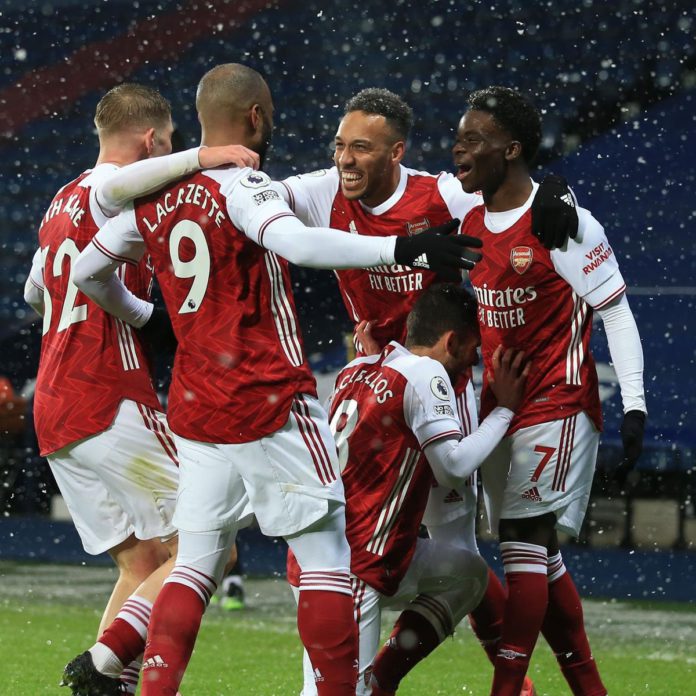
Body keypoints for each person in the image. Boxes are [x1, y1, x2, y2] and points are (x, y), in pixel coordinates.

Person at [71, 64, 478, 696]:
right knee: (327, 560)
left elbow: (90, 270)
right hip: (265, 397)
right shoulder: (245, 186)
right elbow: (300, 246)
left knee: (194, 568)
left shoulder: (156, 198)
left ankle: (142, 683)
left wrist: (149, 318)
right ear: (257, 117)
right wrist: (401, 250)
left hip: (197, 403)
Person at [279, 87, 577, 696]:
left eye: (361, 148)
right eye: (340, 146)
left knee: (456, 550)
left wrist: (556, 191)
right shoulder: (319, 192)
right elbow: (250, 197)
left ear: (397, 152)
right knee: (362, 532)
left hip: (440, 386)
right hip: (372, 386)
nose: (346, 160)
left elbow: (509, 184)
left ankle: (482, 679)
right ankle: (351, 659)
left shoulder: (437, 194)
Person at [23, 82, 260, 696]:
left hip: (53, 408)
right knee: (209, 546)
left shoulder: (57, 203)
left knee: (142, 562)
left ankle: (106, 688)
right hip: (108, 395)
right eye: (171, 145)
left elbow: (31, 296)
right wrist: (206, 158)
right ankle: (105, 664)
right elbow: (117, 185)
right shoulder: (107, 192)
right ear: (152, 141)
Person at [453, 86, 647, 696]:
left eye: (473, 139)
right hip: (500, 406)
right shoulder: (468, 221)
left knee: (522, 539)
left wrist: (635, 404)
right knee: (539, 555)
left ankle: (507, 687)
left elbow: (615, 312)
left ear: (510, 150)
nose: (460, 148)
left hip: (558, 401)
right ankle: (589, 688)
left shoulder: (564, 224)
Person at [296, 283, 529, 696]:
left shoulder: (357, 368)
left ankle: (384, 677)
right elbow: (452, 468)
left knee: (468, 573)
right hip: (354, 565)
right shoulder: (426, 374)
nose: (474, 359)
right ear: (451, 340)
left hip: (336, 552)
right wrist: (505, 410)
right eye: (472, 347)